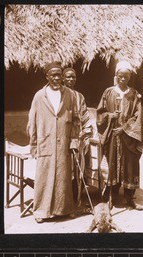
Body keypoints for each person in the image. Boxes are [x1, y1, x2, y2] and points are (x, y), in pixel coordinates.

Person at [27, 62, 80, 223]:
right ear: (47, 77)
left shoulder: (70, 95)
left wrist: (74, 141)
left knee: (64, 177)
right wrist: (34, 144)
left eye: (59, 75)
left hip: (63, 142)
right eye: (53, 75)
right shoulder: (39, 96)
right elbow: (32, 121)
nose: (57, 78)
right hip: (46, 143)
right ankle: (41, 212)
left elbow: (76, 120)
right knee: (44, 177)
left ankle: (65, 209)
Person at [96, 60, 143, 210]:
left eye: (126, 77)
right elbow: (100, 113)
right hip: (112, 136)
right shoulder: (108, 92)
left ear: (130, 77)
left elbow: (138, 115)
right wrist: (110, 116)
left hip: (128, 137)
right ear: (116, 75)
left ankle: (130, 197)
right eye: (121, 76)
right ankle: (112, 195)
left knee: (130, 165)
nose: (123, 79)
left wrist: (124, 128)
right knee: (112, 164)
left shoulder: (134, 94)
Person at [63, 68, 93, 201]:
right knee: (64, 167)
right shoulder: (59, 94)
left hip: (78, 136)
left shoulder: (79, 96)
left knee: (78, 166)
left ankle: (76, 196)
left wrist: (85, 131)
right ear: (63, 78)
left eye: (73, 77)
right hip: (63, 137)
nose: (71, 80)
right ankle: (63, 196)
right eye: (68, 77)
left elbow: (85, 116)